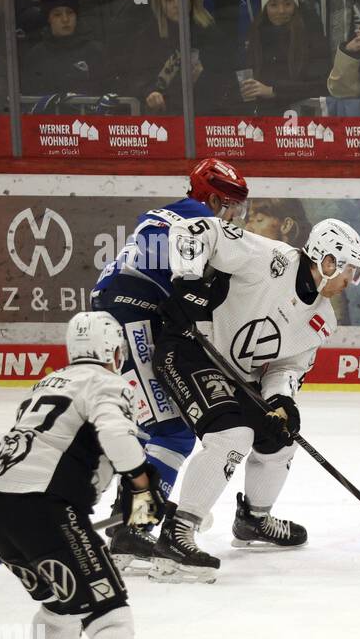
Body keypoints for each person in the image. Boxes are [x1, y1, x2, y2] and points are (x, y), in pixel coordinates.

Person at [0, 311, 173, 639]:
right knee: (109, 611)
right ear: (112, 351)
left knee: (62, 604)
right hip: (49, 511)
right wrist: (142, 483)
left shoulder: (48, 384)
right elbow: (116, 437)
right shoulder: (106, 383)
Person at [151, 216, 360, 582]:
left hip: (235, 375)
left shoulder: (322, 319)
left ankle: (253, 520)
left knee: (281, 437)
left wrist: (282, 400)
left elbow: (288, 367)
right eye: (350, 269)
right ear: (327, 260)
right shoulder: (271, 258)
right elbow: (192, 230)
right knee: (233, 436)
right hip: (189, 349)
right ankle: (177, 533)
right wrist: (186, 282)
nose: (351, 280)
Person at [90, 158, 250, 570]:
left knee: (154, 425)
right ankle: (135, 528)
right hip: (133, 316)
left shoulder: (173, 213)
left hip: (120, 313)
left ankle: (131, 515)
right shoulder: (200, 220)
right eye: (231, 204)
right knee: (172, 429)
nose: (235, 216)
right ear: (213, 198)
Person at [243, 0, 331, 115]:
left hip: (304, 116)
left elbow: (322, 84)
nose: (281, 11)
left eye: (287, 4)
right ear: (265, 8)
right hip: (265, 115)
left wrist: (274, 91)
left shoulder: (310, 32)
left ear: (295, 5)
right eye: (273, 5)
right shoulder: (257, 32)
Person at [130, 0, 216, 114]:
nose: (177, 4)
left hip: (203, 116)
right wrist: (150, 94)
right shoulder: (148, 36)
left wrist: (201, 78)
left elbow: (223, 82)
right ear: (160, 5)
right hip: (164, 117)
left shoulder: (209, 33)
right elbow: (138, 79)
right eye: (169, 0)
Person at [20, 0, 107, 96]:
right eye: (57, 15)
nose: (65, 19)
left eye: (70, 13)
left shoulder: (95, 51)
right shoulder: (36, 55)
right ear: (49, 19)